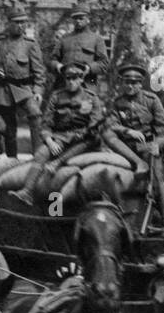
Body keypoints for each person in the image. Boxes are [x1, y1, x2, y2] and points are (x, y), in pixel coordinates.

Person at [9, 60, 106, 207]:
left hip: (84, 138)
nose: (71, 82)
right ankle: (27, 192)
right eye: (68, 78)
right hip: (60, 137)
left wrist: (81, 134)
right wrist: (49, 141)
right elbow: (46, 124)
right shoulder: (56, 96)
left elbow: (95, 123)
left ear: (81, 79)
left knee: (92, 137)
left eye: (75, 78)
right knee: (41, 153)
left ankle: (57, 163)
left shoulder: (92, 98)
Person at [104, 60, 164, 233]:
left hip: (148, 146)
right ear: (122, 83)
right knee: (106, 134)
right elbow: (111, 124)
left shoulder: (152, 100)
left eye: (134, 83)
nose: (130, 86)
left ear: (140, 83)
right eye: (126, 82)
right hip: (126, 148)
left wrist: (157, 145)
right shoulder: (118, 102)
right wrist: (127, 131)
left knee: (157, 177)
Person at [0, 7, 46, 157]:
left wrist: (38, 91)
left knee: (35, 114)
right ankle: (11, 158)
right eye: (17, 22)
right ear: (9, 24)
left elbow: (39, 71)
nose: (21, 25)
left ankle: (38, 155)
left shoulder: (30, 44)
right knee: (9, 127)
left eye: (23, 23)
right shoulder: (0, 44)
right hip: (4, 90)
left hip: (23, 89)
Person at [49, 6, 109, 89]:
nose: (77, 21)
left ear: (88, 19)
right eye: (75, 18)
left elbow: (104, 63)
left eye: (81, 18)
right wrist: (58, 66)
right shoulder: (64, 38)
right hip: (65, 84)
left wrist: (89, 68)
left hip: (86, 85)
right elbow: (52, 60)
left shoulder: (97, 39)